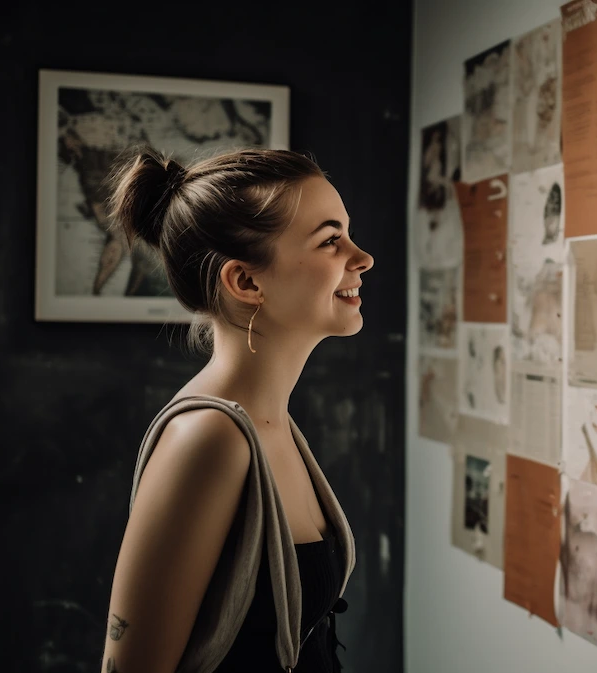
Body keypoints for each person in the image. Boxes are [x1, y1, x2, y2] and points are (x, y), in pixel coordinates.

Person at [99, 147, 373, 673]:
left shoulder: (272, 423)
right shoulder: (208, 438)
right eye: (330, 240)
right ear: (246, 282)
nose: (362, 258)